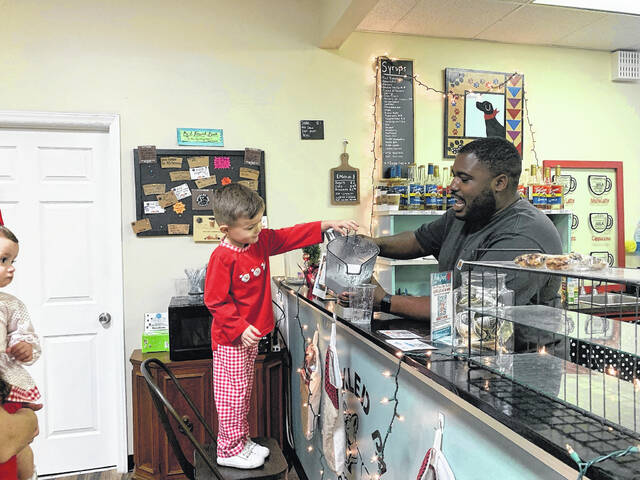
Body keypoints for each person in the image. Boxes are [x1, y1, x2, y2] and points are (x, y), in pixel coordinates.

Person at [204, 183, 358, 469]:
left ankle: (241, 441)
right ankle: (227, 449)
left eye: (259, 223)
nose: (257, 231)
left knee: (244, 393)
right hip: (231, 341)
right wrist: (239, 327)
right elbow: (215, 301)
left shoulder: (259, 241)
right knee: (232, 396)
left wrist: (327, 224)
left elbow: (290, 235)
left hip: (250, 339)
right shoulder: (222, 257)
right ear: (225, 229)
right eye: (250, 227)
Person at [372, 137, 562, 328]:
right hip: (467, 344)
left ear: (500, 183)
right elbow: (418, 241)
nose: (453, 186)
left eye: (464, 179)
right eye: (454, 176)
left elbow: (469, 307)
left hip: (520, 355)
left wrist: (384, 300)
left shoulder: (523, 234)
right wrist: (369, 245)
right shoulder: (466, 213)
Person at [0, 224, 42, 480]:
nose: (11, 267)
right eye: (3, 260)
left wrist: (26, 347)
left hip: (8, 385)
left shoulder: (10, 305)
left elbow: (26, 335)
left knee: (20, 447)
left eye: (13, 260)